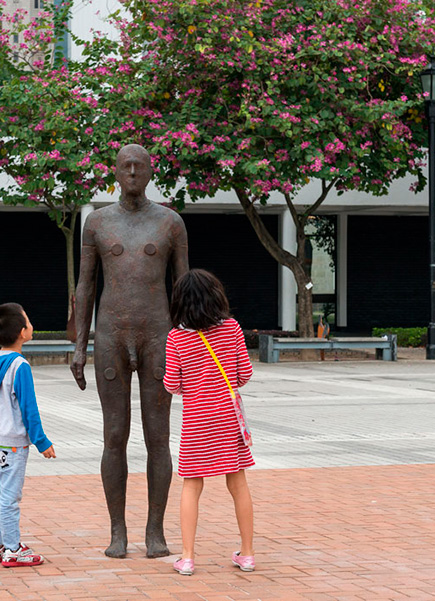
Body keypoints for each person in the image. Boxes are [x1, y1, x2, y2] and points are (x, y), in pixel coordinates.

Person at [71, 144, 189, 558]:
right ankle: (117, 530)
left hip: (159, 336)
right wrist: (80, 345)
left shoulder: (171, 223)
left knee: (159, 437)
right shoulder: (98, 222)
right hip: (111, 337)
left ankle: (154, 531)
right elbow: (85, 286)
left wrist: (190, 346)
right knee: (114, 435)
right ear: (116, 172)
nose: (134, 172)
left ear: (151, 171)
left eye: (141, 166)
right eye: (127, 166)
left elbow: (184, 289)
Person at [163, 269, 255, 576]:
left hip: (197, 421)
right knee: (238, 482)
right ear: (216, 296)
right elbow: (244, 375)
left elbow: (172, 384)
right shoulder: (232, 328)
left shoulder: (176, 336)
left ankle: (187, 557)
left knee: (192, 484)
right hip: (228, 419)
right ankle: (248, 553)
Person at [0, 303, 56, 568]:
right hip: (13, 444)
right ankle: (13, 550)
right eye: (29, 321)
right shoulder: (20, 365)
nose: (31, 325)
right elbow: (29, 408)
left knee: (0, 494)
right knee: (10, 498)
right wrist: (42, 442)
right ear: (23, 332)